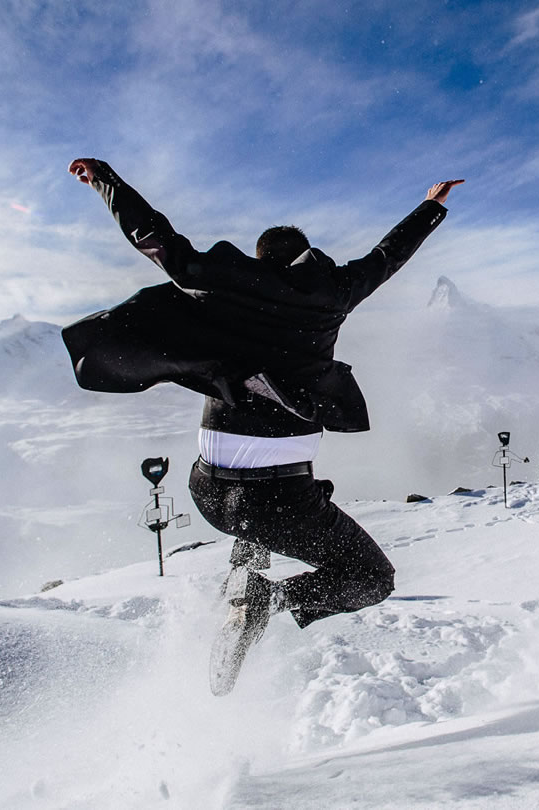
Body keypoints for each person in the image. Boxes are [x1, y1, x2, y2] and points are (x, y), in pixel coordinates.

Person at [61, 158, 463, 694]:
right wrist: (431, 206)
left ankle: (243, 572)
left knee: (268, 501)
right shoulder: (334, 292)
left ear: (258, 256)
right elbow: (387, 258)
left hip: (205, 488)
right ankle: (265, 602)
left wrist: (104, 178)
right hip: (279, 502)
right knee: (371, 579)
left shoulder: (220, 281)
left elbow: (152, 233)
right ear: (306, 255)